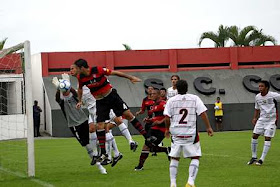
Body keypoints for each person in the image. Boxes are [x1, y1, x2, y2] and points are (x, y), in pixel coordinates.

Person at [74, 59, 149, 162]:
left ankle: (146, 137)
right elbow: (80, 89)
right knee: (99, 125)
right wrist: (79, 100)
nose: (76, 70)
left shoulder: (98, 70)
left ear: (82, 67)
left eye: (76, 68)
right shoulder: (81, 77)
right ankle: (104, 153)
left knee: (127, 115)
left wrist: (130, 77)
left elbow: (115, 73)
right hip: (100, 101)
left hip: (111, 96)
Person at [69, 66, 123, 167]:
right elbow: (81, 95)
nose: (71, 71)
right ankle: (102, 154)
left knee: (105, 129)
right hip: (92, 110)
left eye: (73, 68)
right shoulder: (81, 82)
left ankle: (112, 155)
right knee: (92, 129)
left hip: (99, 107)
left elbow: (96, 90)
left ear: (79, 69)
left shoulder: (88, 80)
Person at [52, 77, 107, 174]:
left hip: (83, 119)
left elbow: (76, 93)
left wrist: (68, 83)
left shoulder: (74, 95)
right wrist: (58, 87)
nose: (67, 92)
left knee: (93, 134)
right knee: (85, 144)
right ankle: (99, 165)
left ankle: (98, 152)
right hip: (73, 124)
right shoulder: (61, 100)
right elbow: (57, 97)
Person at [164, 79, 214, 187]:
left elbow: (167, 118)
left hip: (176, 133)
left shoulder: (171, 101)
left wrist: (167, 129)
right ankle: (190, 182)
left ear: (176, 89)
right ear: (187, 88)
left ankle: (173, 184)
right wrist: (208, 127)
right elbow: (203, 113)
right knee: (195, 157)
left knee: (174, 157)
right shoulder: (194, 98)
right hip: (190, 133)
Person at [135, 89, 170, 171]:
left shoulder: (163, 104)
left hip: (161, 129)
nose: (151, 95)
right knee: (149, 147)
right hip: (153, 128)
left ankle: (140, 166)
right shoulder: (154, 105)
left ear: (158, 95)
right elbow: (156, 117)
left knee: (147, 146)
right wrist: (149, 120)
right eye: (150, 94)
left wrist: (160, 122)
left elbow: (169, 116)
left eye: (154, 94)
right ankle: (166, 149)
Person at [247, 80, 280, 166]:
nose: (260, 88)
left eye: (262, 86)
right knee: (254, 135)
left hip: (271, 120)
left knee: (267, 137)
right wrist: (255, 117)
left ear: (267, 88)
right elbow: (257, 108)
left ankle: (262, 159)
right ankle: (254, 157)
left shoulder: (274, 95)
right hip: (262, 119)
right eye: (259, 86)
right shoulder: (257, 97)